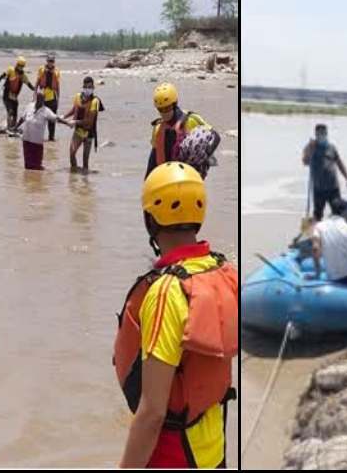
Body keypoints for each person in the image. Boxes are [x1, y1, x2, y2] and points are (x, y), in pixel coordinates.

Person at [114, 162, 238, 468]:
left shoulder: (167, 291)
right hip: (213, 448)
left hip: (174, 455)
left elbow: (152, 412)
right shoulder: (224, 272)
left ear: (149, 219)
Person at [146, 83, 215, 178]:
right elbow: (153, 157)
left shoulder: (191, 119)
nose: (164, 112)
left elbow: (215, 137)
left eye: (167, 108)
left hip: (191, 173)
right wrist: (147, 181)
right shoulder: (158, 128)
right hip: (167, 174)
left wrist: (204, 156)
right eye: (161, 109)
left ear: (174, 104)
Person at [303, 124, 347, 220]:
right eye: (319, 133)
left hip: (333, 188)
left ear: (326, 134)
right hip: (319, 189)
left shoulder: (332, 147)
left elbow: (340, 163)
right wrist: (310, 149)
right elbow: (305, 162)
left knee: (338, 212)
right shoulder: (310, 147)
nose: (321, 135)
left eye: (323, 133)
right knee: (317, 215)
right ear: (315, 134)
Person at [15, 92, 74, 170]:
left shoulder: (46, 111)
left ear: (43, 100)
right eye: (38, 98)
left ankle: (42, 176)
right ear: (36, 98)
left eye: (41, 99)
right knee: (27, 166)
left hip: (36, 143)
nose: (39, 101)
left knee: (37, 166)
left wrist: (67, 123)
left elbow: (56, 118)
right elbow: (22, 118)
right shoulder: (30, 106)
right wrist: (15, 127)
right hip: (26, 140)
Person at [63, 76, 103, 173]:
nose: (88, 89)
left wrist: (75, 122)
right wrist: (64, 117)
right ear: (83, 87)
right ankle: (74, 176)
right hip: (79, 131)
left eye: (90, 87)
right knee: (72, 153)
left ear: (93, 87)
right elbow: (74, 110)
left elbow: (90, 121)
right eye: (86, 87)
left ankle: (85, 183)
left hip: (89, 132)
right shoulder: (77, 96)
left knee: (85, 160)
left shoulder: (95, 101)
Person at [0, 56, 35, 131]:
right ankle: (8, 128)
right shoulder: (10, 70)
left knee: (15, 112)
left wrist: (36, 90)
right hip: (6, 93)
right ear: (17, 64)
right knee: (10, 111)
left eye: (22, 66)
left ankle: (13, 127)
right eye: (19, 65)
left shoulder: (23, 76)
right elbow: (1, 77)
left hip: (14, 96)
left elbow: (29, 85)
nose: (20, 67)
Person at [35, 54, 61, 141]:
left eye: (52, 61)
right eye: (49, 61)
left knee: (52, 118)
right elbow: (37, 82)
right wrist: (35, 94)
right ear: (47, 61)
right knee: (39, 117)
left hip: (52, 98)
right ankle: (38, 136)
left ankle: (51, 137)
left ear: (54, 62)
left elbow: (57, 86)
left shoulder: (56, 71)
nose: (50, 63)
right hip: (42, 96)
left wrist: (58, 98)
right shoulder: (41, 70)